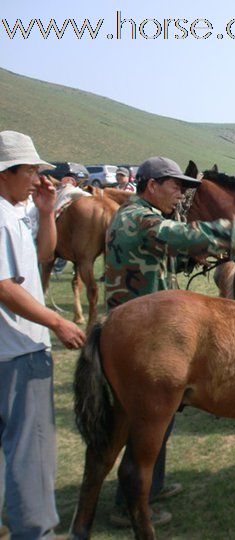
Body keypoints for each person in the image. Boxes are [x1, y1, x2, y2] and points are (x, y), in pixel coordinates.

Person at [105, 156, 235, 527]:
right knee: (145, 421)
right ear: (151, 185)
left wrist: (200, 257)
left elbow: (168, 258)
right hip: (141, 336)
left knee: (161, 417)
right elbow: (183, 236)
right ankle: (129, 504)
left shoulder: (144, 218)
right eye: (174, 185)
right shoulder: (137, 216)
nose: (180, 193)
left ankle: (151, 485)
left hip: (151, 330)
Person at [0, 130, 86, 539]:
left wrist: (47, 211)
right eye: (30, 171)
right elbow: (4, 287)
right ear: (4, 173)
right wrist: (57, 322)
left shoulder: (15, 211)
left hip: (14, 348)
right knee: (31, 452)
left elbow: (44, 256)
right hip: (18, 351)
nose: (37, 178)